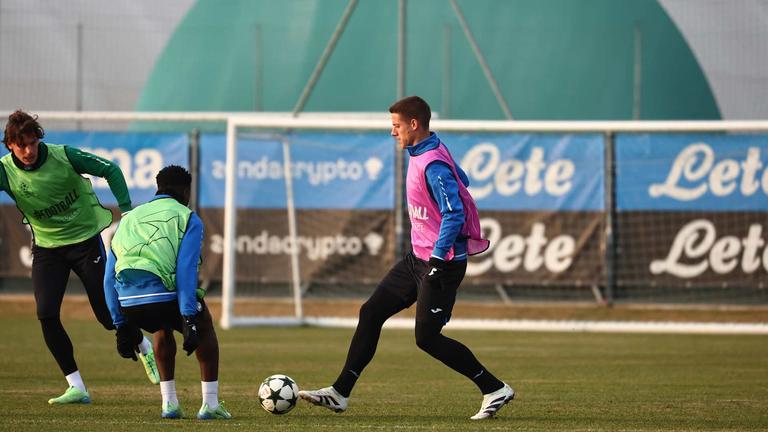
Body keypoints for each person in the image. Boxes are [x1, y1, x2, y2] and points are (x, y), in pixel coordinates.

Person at [299, 96, 514, 420]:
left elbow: (454, 213)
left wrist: (439, 259)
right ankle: (340, 393)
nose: (392, 132)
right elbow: (464, 180)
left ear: (414, 124)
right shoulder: (425, 151)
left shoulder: (433, 163)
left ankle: (494, 388)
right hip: (418, 258)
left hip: (441, 263)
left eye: (396, 125)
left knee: (426, 338)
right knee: (371, 312)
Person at [0, 110, 159, 404]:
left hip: (85, 243)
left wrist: (126, 211)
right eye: (21, 145)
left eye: (33, 143)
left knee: (107, 317)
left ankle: (143, 345)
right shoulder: (5, 170)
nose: (28, 151)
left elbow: (110, 169)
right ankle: (77, 386)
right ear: (9, 145)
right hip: (48, 249)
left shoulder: (64, 156)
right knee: (46, 314)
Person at [104, 165, 231, 420]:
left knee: (161, 327)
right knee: (204, 326)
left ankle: (169, 404)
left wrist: (120, 325)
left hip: (129, 303)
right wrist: (188, 318)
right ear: (186, 191)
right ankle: (210, 405)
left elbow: (108, 277)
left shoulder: (129, 218)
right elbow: (186, 270)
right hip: (165, 298)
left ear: (158, 188)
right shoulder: (188, 217)